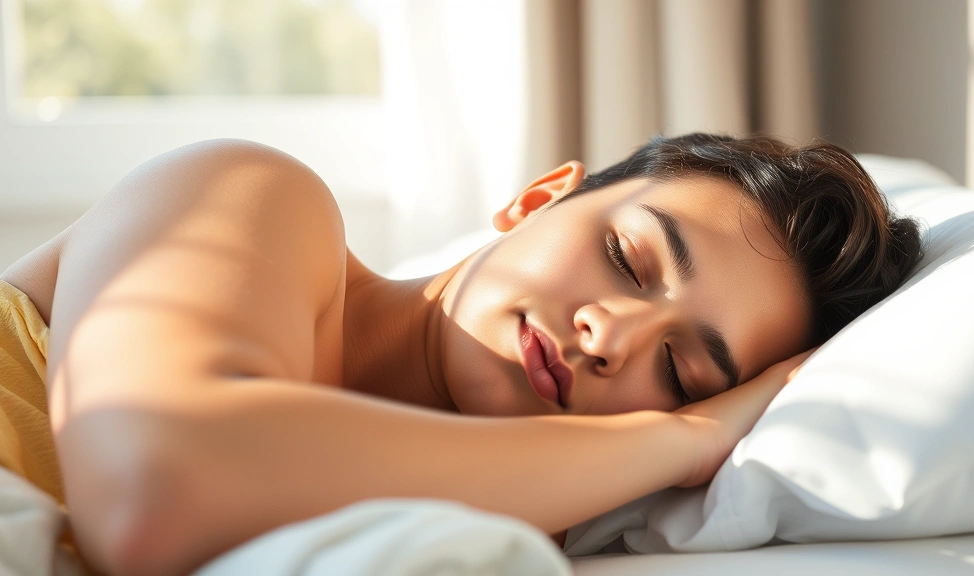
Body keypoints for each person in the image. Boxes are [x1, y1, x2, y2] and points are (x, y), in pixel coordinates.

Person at [0, 133, 922, 576]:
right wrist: (679, 433)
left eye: (682, 370)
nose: (614, 338)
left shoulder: (515, 526)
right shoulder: (254, 194)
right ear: (537, 199)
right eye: (626, 258)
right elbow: (159, 491)